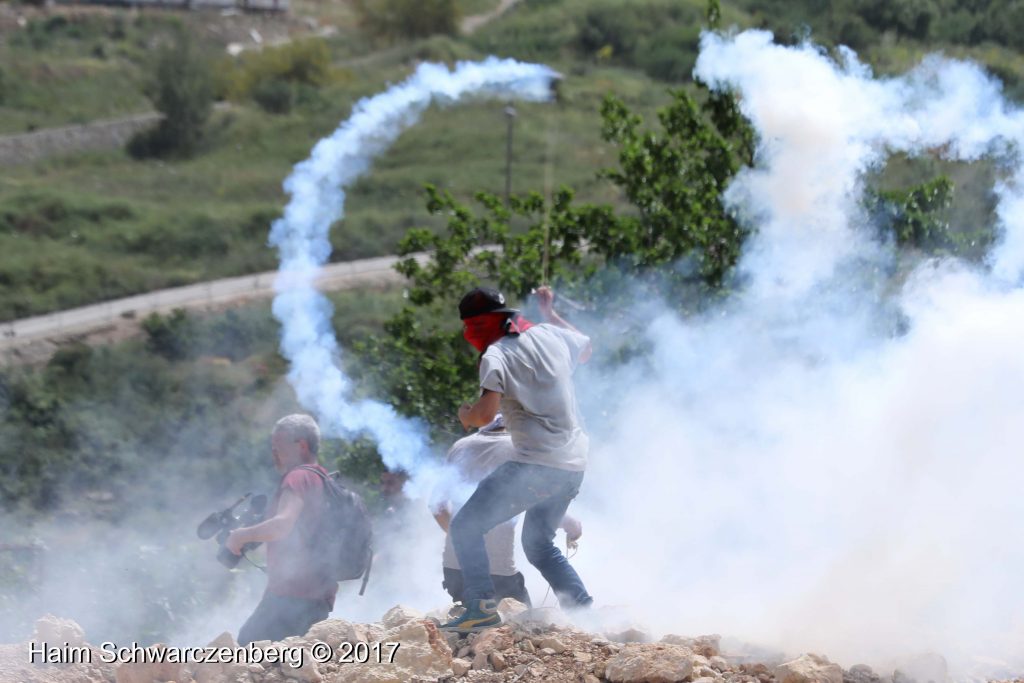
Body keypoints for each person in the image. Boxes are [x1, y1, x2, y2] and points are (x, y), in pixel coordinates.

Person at [441, 285, 594, 633]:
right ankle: (585, 612)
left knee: (466, 526)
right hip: (574, 464)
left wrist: (466, 414)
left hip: (535, 464)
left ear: (477, 325)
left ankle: (479, 606)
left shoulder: (496, 355)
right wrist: (550, 312)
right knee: (538, 544)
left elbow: (484, 415)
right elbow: (585, 349)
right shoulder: (548, 333)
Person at [431, 414, 584, 608]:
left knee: (472, 626)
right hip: (498, 573)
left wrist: (462, 539)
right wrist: (571, 524)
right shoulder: (521, 450)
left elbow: (436, 505)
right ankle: (582, 611)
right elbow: (537, 500)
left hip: (454, 570)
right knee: (524, 625)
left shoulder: (460, 447)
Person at [226, 414, 336, 645]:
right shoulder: (323, 478)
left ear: (302, 445)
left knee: (248, 648)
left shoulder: (298, 477)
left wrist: (240, 536)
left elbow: (282, 525)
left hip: (294, 597)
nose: (274, 453)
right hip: (316, 597)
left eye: (279, 446)